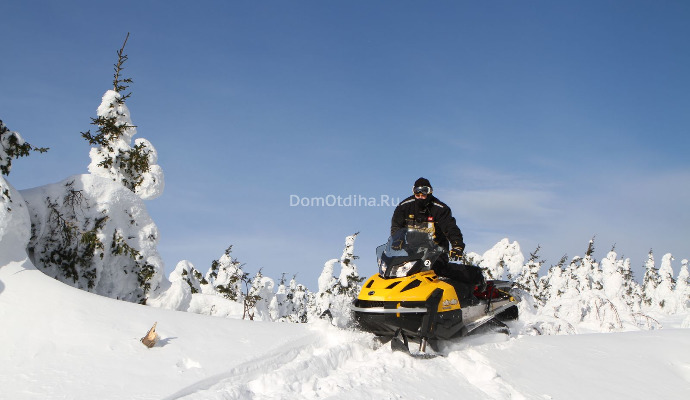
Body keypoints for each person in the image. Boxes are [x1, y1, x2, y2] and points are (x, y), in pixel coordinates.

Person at [391, 177, 484, 291]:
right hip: (412, 252)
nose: (420, 196)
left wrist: (457, 246)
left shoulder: (439, 209)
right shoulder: (404, 207)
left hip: (435, 252)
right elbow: (396, 226)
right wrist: (397, 240)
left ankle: (475, 276)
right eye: (417, 193)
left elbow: (451, 228)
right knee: (397, 270)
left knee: (437, 269)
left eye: (424, 193)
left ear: (430, 192)